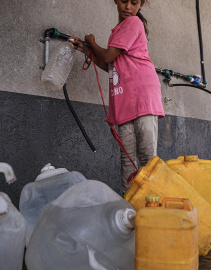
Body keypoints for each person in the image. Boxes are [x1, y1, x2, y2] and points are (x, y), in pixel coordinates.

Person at [70, 0, 165, 193]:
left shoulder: (133, 23)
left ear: (141, 5)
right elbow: (110, 66)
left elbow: (107, 57)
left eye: (134, 2)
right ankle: (129, 207)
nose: (128, 7)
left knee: (147, 159)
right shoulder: (118, 30)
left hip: (142, 96)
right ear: (115, 0)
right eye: (124, 1)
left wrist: (92, 42)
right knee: (127, 159)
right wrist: (87, 49)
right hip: (124, 100)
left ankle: (153, 209)